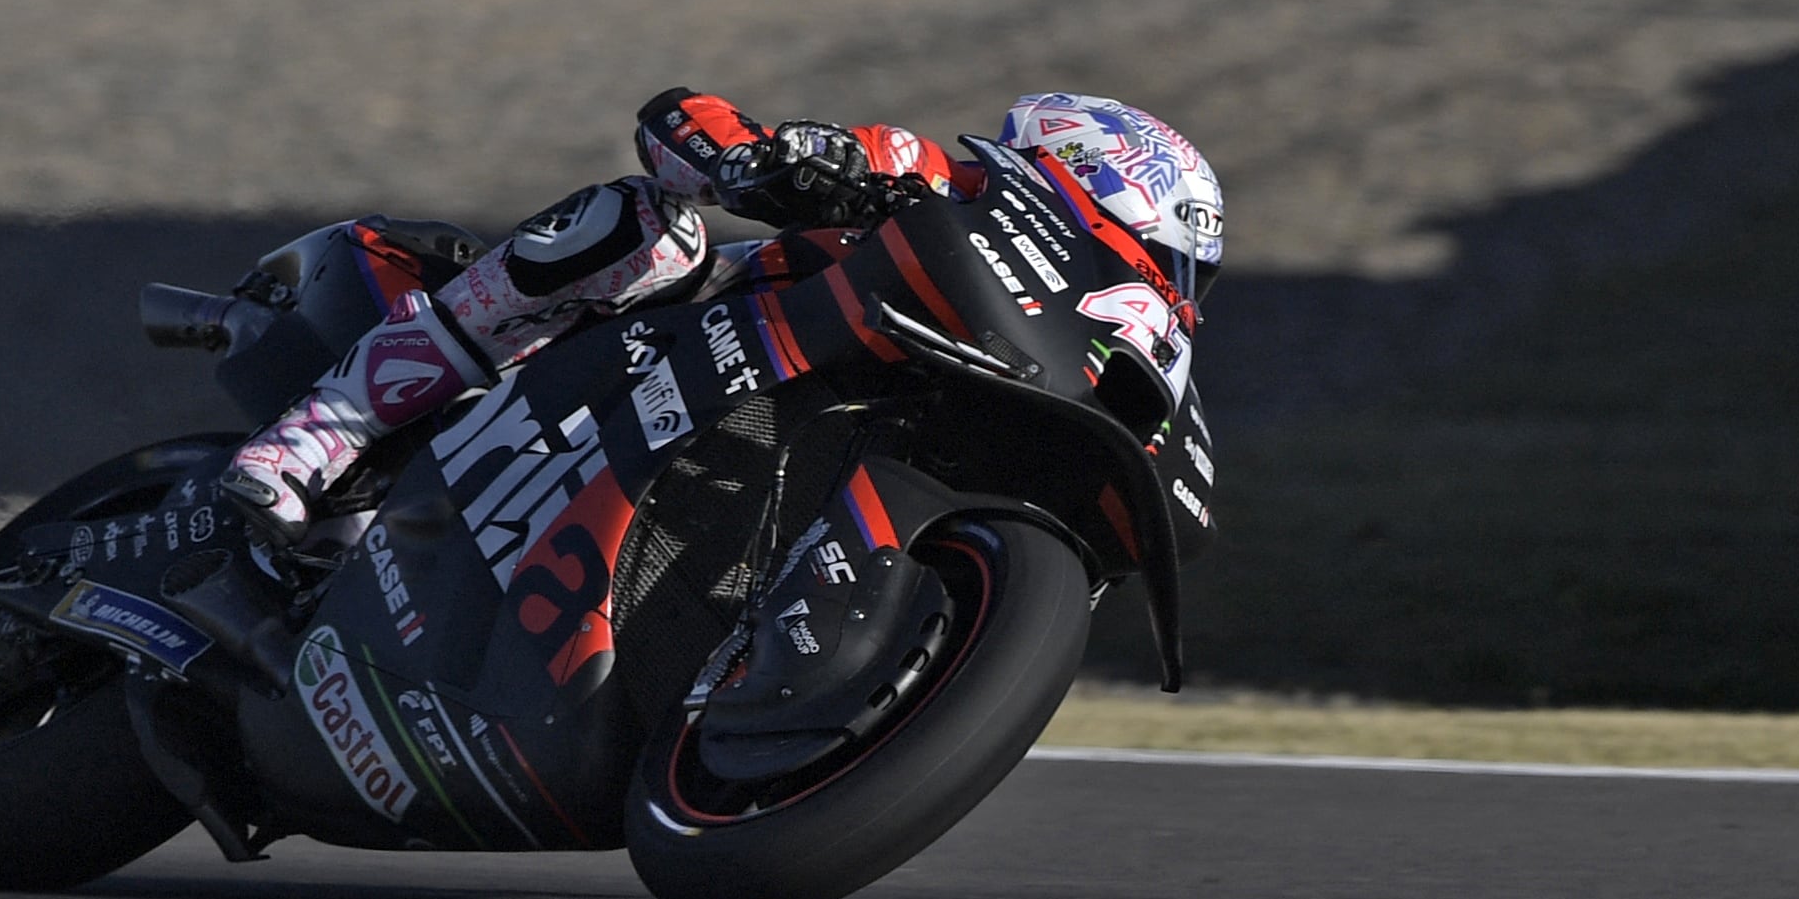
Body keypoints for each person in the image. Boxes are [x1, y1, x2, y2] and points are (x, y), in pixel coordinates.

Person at [219, 88, 1223, 549]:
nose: (1151, 280)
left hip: (782, 434)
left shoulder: (1124, 341)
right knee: (641, 228)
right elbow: (685, 116)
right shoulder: (948, 181)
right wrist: (756, 156)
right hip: (678, 335)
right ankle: (323, 432)